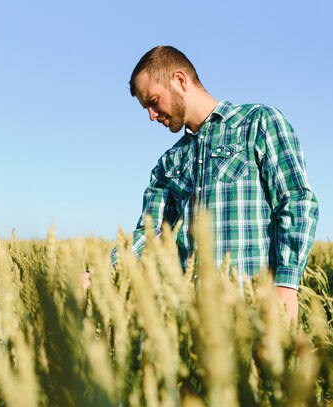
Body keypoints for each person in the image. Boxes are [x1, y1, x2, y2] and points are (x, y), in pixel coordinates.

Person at [83, 46, 319, 322]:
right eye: (145, 107)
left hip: (254, 316)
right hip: (193, 325)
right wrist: (98, 273)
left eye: (153, 101)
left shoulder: (259, 122)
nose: (151, 115)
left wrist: (286, 284)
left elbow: (295, 200)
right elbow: (151, 233)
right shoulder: (169, 162)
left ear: (180, 81)